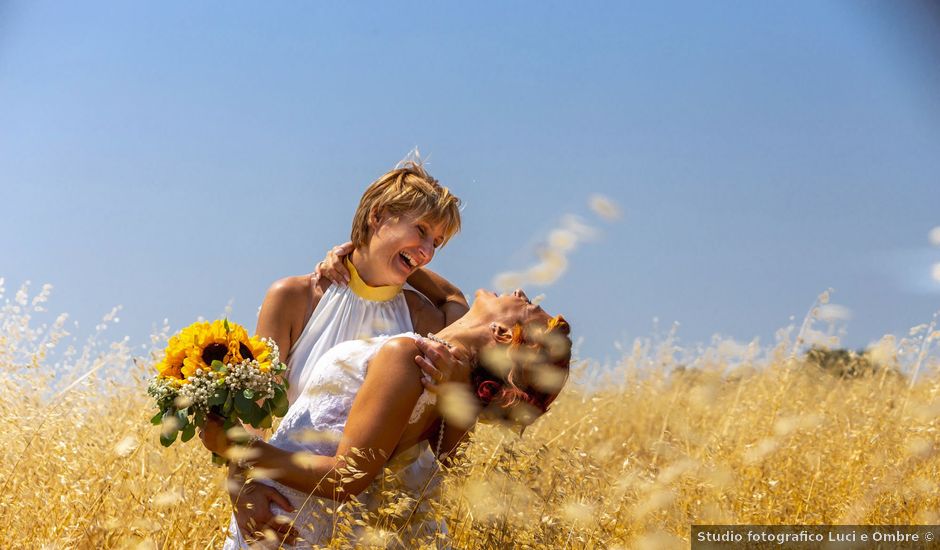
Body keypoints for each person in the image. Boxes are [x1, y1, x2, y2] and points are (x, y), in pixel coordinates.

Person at [201, 288, 572, 548]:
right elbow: (452, 296)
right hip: (277, 513)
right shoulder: (447, 379)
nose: (521, 291)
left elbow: (346, 477)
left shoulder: (412, 357)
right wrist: (351, 255)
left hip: (286, 518)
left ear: (503, 334)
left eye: (531, 309)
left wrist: (239, 450)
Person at [227, 159, 470, 540]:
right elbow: (250, 414)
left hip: (392, 522)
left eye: (435, 243)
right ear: (378, 215)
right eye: (420, 230)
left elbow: (457, 302)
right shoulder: (294, 297)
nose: (427, 251)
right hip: (297, 507)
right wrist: (240, 488)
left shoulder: (424, 317)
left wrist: (372, 250)